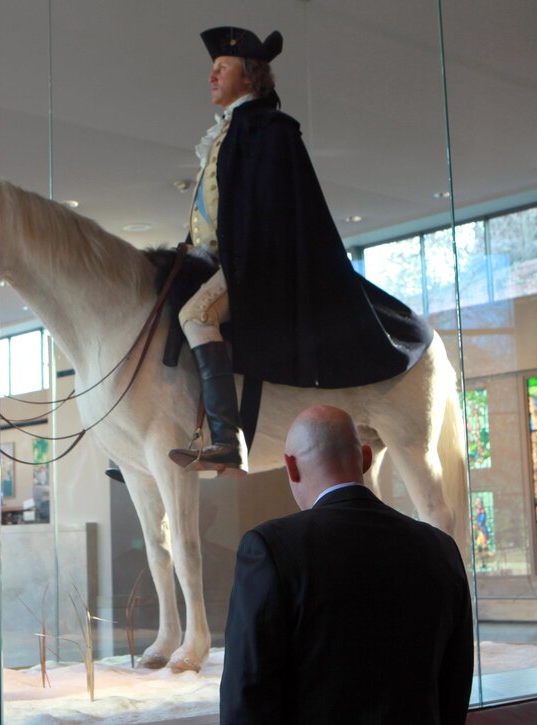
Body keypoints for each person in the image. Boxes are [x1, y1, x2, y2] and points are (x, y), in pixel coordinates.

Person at [168, 27, 432, 477]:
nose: (212, 76)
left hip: (254, 264)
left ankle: (226, 441)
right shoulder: (229, 131)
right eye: (212, 69)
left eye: (222, 68)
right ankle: (168, 434)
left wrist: (239, 257)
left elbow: (272, 212)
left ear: (249, 75)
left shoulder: (269, 131)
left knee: (195, 316)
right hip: (219, 260)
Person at [219, 405, 473, 724]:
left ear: (290, 467)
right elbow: (455, 685)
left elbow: (248, 693)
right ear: (365, 459)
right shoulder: (440, 548)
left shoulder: (271, 547)